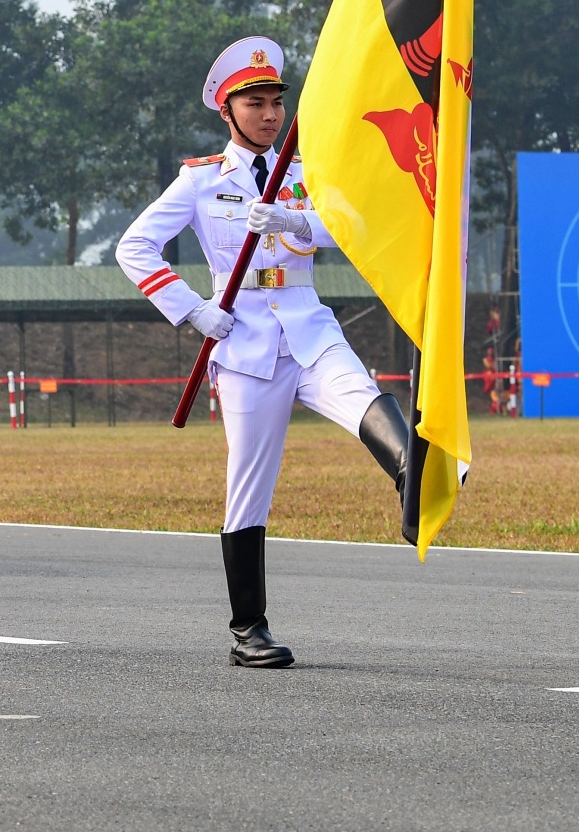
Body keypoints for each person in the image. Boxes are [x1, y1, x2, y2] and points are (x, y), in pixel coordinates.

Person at [117, 37, 410, 668]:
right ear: (227, 111)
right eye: (255, 103)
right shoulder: (200, 181)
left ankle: (413, 477)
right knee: (248, 486)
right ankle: (249, 630)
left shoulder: (305, 172)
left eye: (277, 102)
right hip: (244, 341)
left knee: (359, 395)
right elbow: (133, 248)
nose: (270, 114)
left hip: (308, 322)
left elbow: (353, 226)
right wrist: (194, 311)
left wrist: (294, 221)